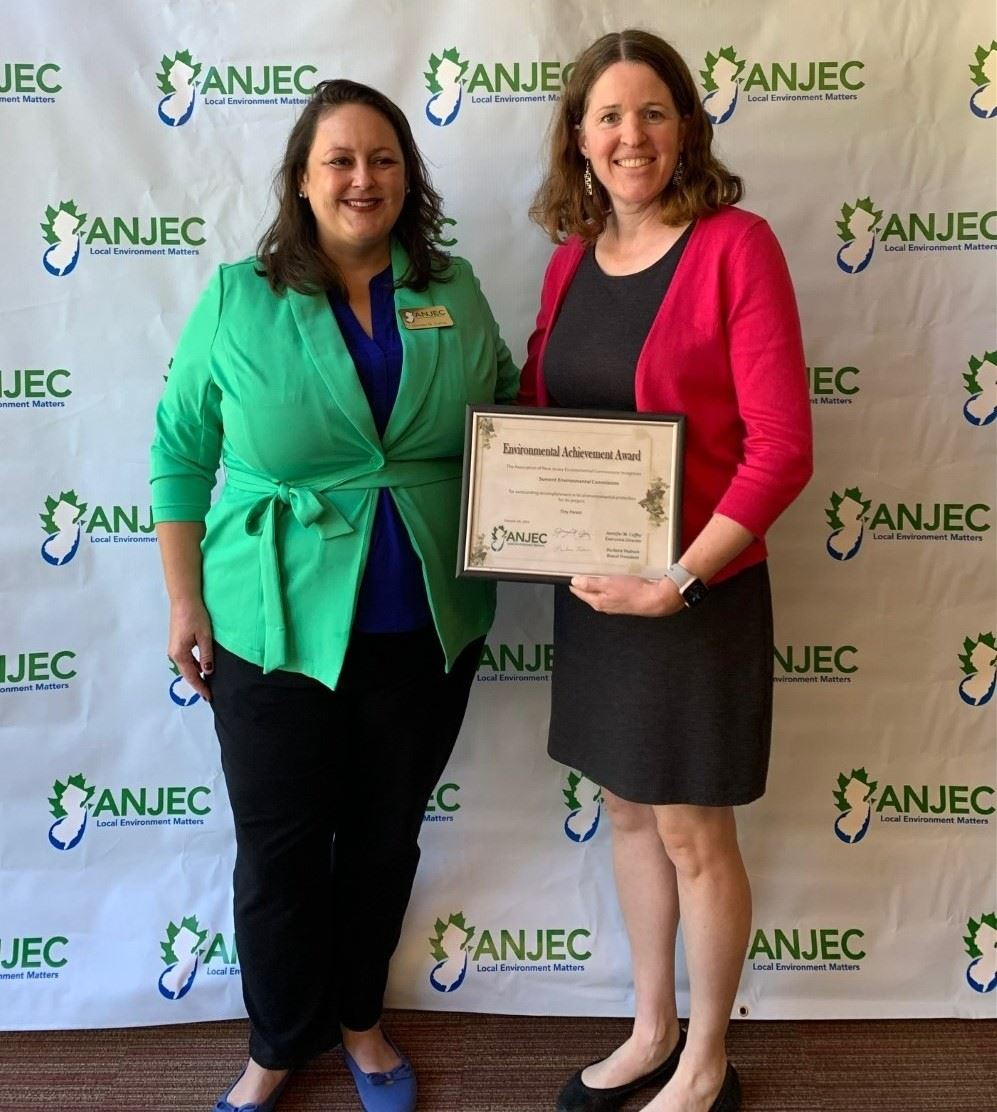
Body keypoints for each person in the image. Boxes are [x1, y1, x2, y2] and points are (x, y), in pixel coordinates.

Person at [150, 78, 517, 1112]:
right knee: (277, 848)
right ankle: (276, 1040)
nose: (364, 178)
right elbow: (181, 451)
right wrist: (184, 600)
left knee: (382, 836)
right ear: (302, 183)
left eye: (384, 159)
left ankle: (359, 1017)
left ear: (409, 176)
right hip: (270, 628)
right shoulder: (239, 295)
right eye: (340, 161)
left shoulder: (455, 286)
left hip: (423, 625)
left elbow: (506, 412)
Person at [520, 30, 812, 1112]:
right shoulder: (565, 260)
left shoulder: (738, 245)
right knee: (627, 811)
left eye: (651, 112)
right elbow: (547, 419)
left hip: (697, 595)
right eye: (607, 115)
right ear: (579, 139)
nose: (629, 135)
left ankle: (706, 1056)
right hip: (597, 597)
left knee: (694, 831)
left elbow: (783, 446)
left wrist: (676, 580)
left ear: (685, 125)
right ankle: (649, 1028)